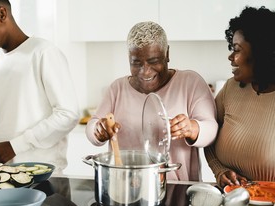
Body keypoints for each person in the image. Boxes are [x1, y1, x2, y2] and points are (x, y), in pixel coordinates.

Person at [86, 21, 218, 181]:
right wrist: (98, 131)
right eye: (136, 63)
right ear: (129, 58)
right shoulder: (117, 88)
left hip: (177, 187)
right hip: (126, 185)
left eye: (154, 61)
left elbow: (211, 129)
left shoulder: (190, 82)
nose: (145, 71)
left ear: (167, 53)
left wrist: (192, 128)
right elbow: (92, 126)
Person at [0, 0, 79, 174]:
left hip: (44, 178)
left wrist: (14, 147)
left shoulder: (43, 52)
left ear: (2, 14)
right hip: (3, 178)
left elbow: (68, 114)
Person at [204, 6, 275, 187]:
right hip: (229, 200)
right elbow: (208, 134)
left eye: (237, 50)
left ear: (262, 55)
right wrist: (219, 170)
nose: (231, 57)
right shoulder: (231, 89)